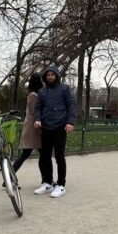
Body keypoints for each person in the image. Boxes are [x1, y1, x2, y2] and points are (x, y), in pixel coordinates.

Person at [34, 64, 76, 198]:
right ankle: (47, 182)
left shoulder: (64, 89)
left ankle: (61, 185)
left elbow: (71, 106)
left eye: (52, 75)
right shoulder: (42, 92)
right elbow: (38, 108)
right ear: (45, 77)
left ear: (57, 76)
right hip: (46, 127)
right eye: (48, 75)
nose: (50, 77)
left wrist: (70, 122)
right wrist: (38, 119)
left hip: (60, 127)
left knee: (59, 157)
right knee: (45, 156)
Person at [14, 73, 43, 174]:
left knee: (25, 155)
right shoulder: (34, 95)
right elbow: (36, 112)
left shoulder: (33, 94)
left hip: (31, 129)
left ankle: (9, 178)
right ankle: (47, 180)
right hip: (33, 129)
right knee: (42, 155)